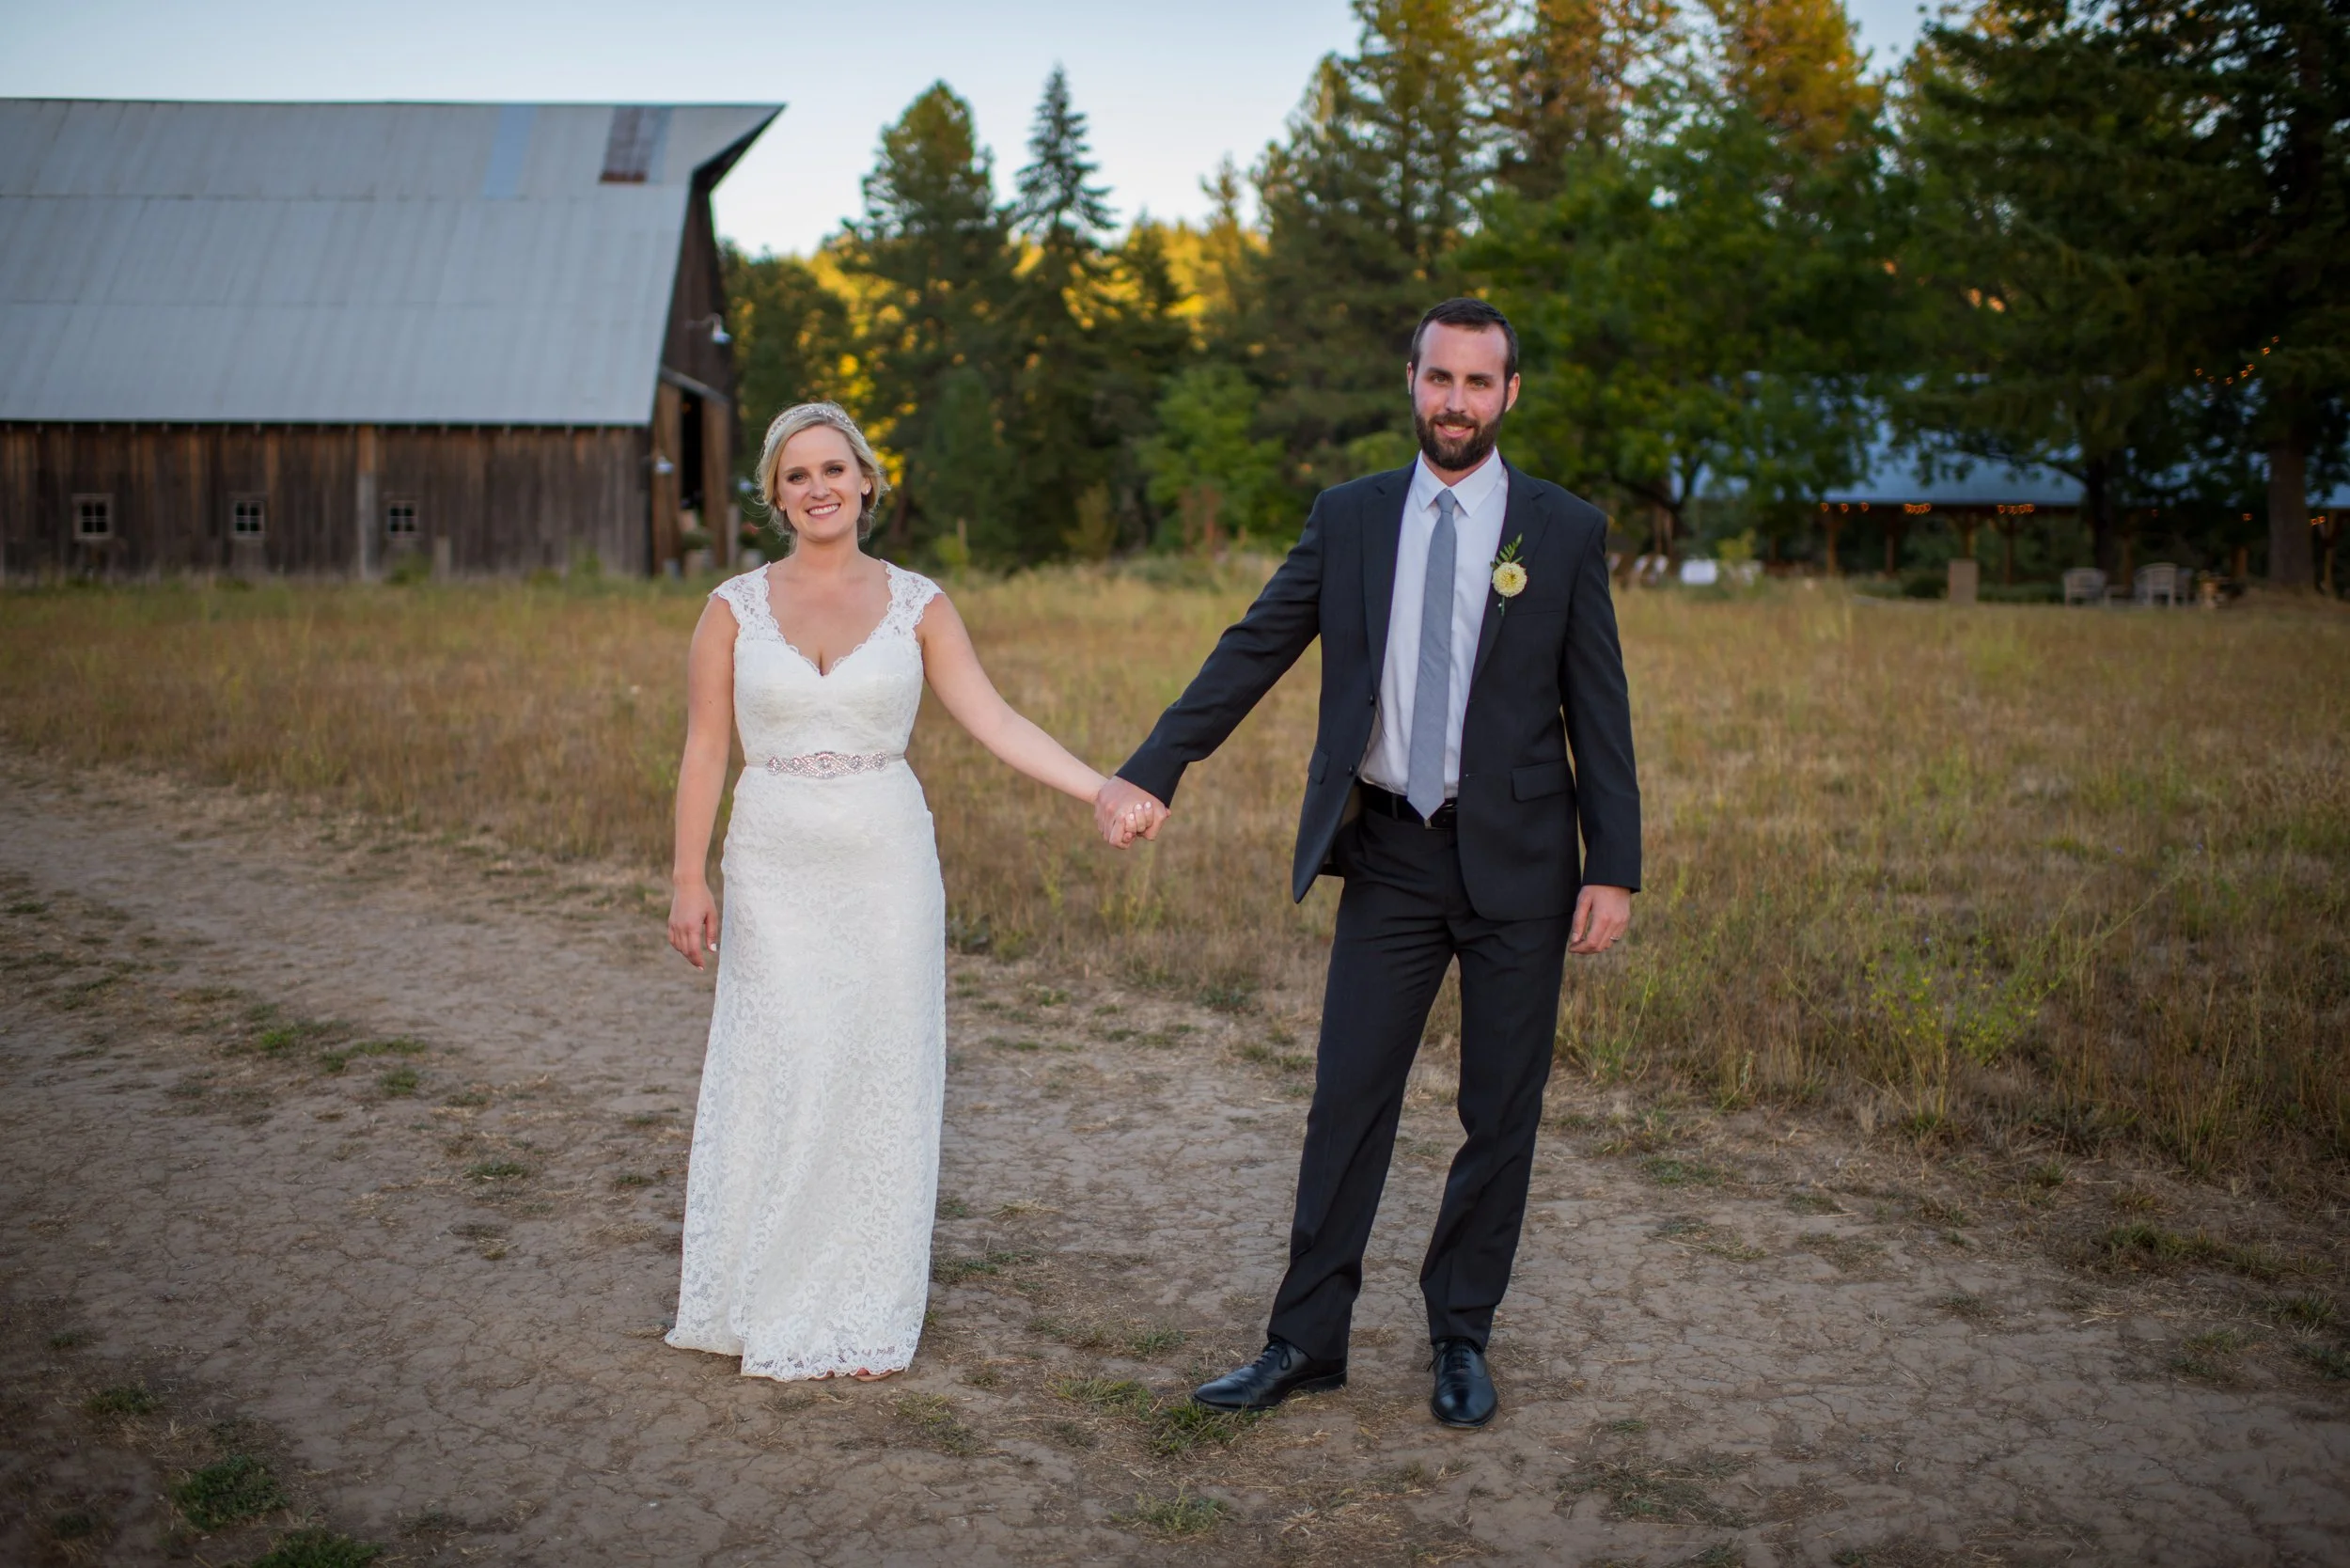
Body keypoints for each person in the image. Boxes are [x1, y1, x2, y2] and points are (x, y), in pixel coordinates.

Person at [1095, 298, 1641, 1428]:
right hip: (1391, 848)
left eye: (1477, 384)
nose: (1455, 402)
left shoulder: (1563, 530)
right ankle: (1304, 1340)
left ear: (1508, 395)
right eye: (1439, 379)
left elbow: (1601, 712)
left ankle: (1459, 1335)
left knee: (1500, 1112)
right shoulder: (1348, 519)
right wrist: (1157, 764)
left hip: (1525, 863)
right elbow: (1254, 644)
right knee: (1347, 1098)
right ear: (1410, 380)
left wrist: (1613, 863)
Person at [663, 401, 1143, 1382]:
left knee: (880, 1074)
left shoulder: (918, 601)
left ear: (869, 481)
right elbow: (705, 747)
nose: (818, 487)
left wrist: (1102, 786)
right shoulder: (731, 607)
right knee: (784, 1065)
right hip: (773, 864)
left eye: (834, 469)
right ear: (776, 495)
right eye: (797, 476)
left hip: (886, 866)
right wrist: (686, 876)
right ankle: (757, 1293)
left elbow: (995, 718)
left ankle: (860, 1309)